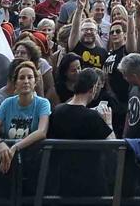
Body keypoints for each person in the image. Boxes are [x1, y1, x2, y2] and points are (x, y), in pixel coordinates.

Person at [48, 67, 116, 198]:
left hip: (61, 181)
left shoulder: (57, 111)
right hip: (90, 182)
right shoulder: (92, 117)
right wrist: (108, 123)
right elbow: (113, 145)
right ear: (93, 89)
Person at [0, 60, 51, 173]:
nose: (26, 81)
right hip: (9, 161)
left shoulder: (43, 103)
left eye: (30, 77)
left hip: (32, 162)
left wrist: (15, 147)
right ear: (15, 83)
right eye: (22, 78)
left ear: (35, 82)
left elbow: (41, 132)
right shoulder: (7, 103)